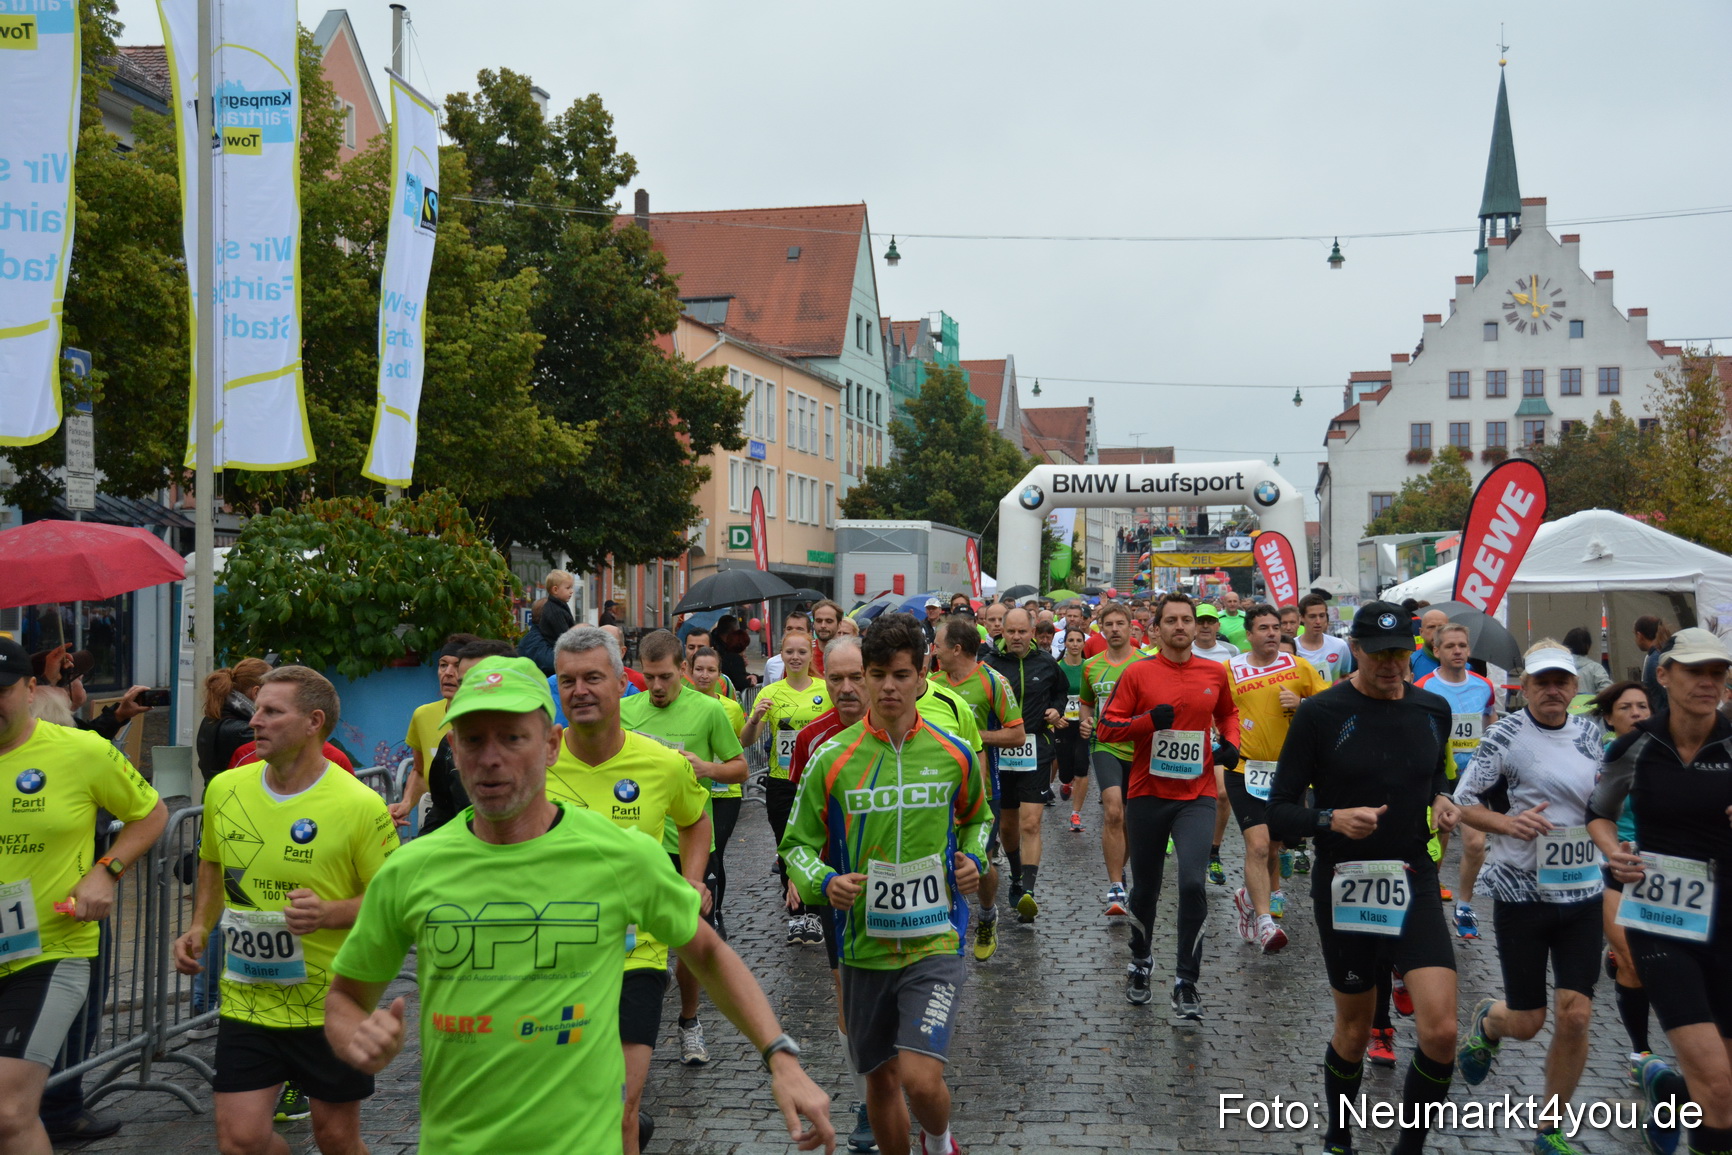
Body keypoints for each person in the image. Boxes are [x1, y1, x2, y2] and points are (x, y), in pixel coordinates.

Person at [325, 655, 834, 1155]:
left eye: (512, 738)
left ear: (550, 746)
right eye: (474, 740)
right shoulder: (413, 869)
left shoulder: (618, 854)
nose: (491, 758)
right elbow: (346, 997)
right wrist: (355, 1037)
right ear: (452, 750)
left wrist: (780, 1057)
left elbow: (708, 952)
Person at [782, 613, 989, 1155]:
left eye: (900, 674)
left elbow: (978, 818)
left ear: (923, 673)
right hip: (863, 947)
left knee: (920, 1078)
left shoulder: (953, 755)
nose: (888, 687)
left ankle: (939, 1142)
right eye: (877, 675)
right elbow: (794, 845)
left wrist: (972, 856)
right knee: (879, 1078)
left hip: (935, 938)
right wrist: (824, 881)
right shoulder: (832, 759)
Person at [171, 665, 395, 1152]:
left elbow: (393, 901)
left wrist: (328, 914)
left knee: (334, 1137)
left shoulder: (358, 804)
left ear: (314, 721)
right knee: (241, 1139)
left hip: (330, 1002)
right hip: (248, 999)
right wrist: (198, 926)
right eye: (257, 710)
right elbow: (212, 862)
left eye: (273, 712)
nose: (256, 721)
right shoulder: (225, 789)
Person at [1265, 601, 1461, 1155]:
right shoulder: (1321, 714)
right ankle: (1338, 1136)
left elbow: (1436, 776)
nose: (1391, 665)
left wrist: (1443, 799)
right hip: (1345, 881)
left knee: (1442, 1031)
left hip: (1414, 878)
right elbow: (1278, 810)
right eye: (1379, 654)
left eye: (1401, 653)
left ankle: (1410, 1148)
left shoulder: (1432, 709)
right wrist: (1330, 819)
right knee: (1353, 1031)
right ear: (1355, 650)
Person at [549, 628, 715, 1155]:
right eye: (568, 680)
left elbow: (696, 818)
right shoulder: (535, 762)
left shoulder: (662, 763)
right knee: (569, 1107)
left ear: (624, 683)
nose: (580, 690)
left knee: (619, 1107)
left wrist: (691, 879)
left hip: (634, 955)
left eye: (593, 677)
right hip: (551, 961)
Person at [0, 638, 166, 1150]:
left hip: (47, 949)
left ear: (30, 689)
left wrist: (106, 871)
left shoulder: (80, 750)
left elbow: (152, 813)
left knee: (9, 1111)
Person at [1453, 642, 1605, 1155]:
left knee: (1577, 1014)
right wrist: (1509, 823)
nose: (1553, 691)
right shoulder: (1506, 734)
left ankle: (1551, 1127)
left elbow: (1605, 801)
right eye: (1543, 683)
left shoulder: (1590, 733)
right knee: (1527, 1021)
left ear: (1574, 687)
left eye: (1562, 681)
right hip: (1523, 893)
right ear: (1526, 687)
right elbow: (1464, 801)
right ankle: (1489, 1022)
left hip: (1583, 890)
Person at [1588, 627, 1732, 1155]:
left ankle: (1670, 1090)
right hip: (1660, 919)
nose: (1708, 683)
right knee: (1716, 1084)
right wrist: (1614, 851)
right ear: (1665, 676)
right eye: (1696, 672)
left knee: (1725, 1089)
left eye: (1717, 673)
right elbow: (1598, 815)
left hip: (1728, 921)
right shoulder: (1636, 746)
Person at [1097, 593, 1240, 1021]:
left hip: (1196, 797)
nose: (1181, 627)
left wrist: (1231, 743)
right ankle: (1140, 961)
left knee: (1193, 883)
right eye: (1172, 621)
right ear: (1155, 629)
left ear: (1197, 627)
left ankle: (1186, 981)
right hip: (1147, 795)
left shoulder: (1214, 671)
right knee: (1146, 888)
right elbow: (1107, 728)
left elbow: (1228, 713)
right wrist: (1147, 722)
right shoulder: (1138, 673)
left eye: (1187, 620)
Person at [619, 630, 747, 1067]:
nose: (656, 687)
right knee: (625, 939)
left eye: (666, 677)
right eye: (649, 677)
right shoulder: (623, 712)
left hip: (688, 842)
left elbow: (741, 768)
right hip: (636, 846)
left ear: (685, 672)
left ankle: (689, 1021)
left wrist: (706, 766)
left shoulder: (709, 710)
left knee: (689, 940)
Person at [786, 636, 876, 1152]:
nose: (845, 689)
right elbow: (802, 824)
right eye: (835, 678)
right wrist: (803, 878)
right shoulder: (813, 741)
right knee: (849, 998)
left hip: (909, 892)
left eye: (855, 677)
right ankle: (867, 1099)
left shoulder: (908, 733)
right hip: (840, 893)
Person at [1224, 604, 1324, 953]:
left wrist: (1302, 703)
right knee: (1259, 845)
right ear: (1248, 634)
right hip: (1244, 769)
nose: (1271, 633)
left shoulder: (1298, 666)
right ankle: (1266, 923)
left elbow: (1328, 705)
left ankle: (1249, 896)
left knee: (1277, 845)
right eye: (1263, 628)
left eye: (1276, 627)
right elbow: (1217, 712)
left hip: (1288, 773)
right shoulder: (1231, 670)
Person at [930, 616, 1025, 961]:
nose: (933, 650)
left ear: (956, 648)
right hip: (938, 789)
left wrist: (969, 738)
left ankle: (986, 915)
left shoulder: (993, 682)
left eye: (938, 644)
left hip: (984, 789)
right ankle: (941, 925)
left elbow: (1016, 734)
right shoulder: (931, 682)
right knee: (939, 860)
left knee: (979, 861)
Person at [742, 631, 832, 946]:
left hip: (818, 780)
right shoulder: (771, 692)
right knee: (786, 848)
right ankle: (795, 916)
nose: (795, 658)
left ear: (810, 655)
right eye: (789, 652)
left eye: (801, 652)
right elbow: (746, 741)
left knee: (820, 847)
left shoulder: (826, 690)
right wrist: (755, 718)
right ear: (781, 655)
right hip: (783, 782)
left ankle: (816, 915)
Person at [1589, 681, 1655, 1081]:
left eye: (1643, 706)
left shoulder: (1669, 755)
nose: (1636, 713)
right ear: (1610, 716)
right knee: (1633, 960)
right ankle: (1642, 1052)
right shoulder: (1599, 756)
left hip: (1662, 869)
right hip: (1608, 864)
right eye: (1626, 707)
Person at [1415, 623, 1497, 934]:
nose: (1458, 651)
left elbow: (1490, 716)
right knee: (1437, 840)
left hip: (1473, 776)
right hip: (1439, 776)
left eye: (1462, 645)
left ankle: (1464, 905)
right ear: (1436, 651)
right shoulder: (1424, 686)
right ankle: (1430, 894)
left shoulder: (1483, 685)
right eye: (1450, 646)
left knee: (1476, 844)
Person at [984, 607, 1063, 922]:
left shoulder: (1046, 663)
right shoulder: (989, 666)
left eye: (1022, 631)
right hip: (1001, 753)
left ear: (1033, 632)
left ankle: (1027, 889)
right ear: (1001, 631)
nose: (1016, 637)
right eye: (1011, 631)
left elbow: (1059, 694)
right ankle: (1016, 876)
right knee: (1007, 826)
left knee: (1031, 823)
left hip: (1036, 750)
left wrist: (1056, 711)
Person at [1079, 601, 1143, 918]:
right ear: (1101, 629)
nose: (1115, 629)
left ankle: (1121, 869)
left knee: (1131, 820)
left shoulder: (1146, 663)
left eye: (1121, 623)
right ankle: (1115, 887)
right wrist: (1086, 721)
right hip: (1106, 745)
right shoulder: (1091, 666)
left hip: (1141, 749)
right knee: (1113, 810)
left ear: (1132, 627)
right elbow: (1086, 703)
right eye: (1109, 624)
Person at [686, 645, 747, 932]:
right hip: (691, 795)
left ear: (720, 674)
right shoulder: (680, 706)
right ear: (688, 671)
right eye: (699, 669)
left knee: (715, 853)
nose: (704, 675)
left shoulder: (731, 708)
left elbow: (741, 747)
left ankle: (715, 912)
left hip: (725, 793)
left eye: (711, 670)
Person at [393, 635, 482, 827]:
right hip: (437, 820)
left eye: (457, 666)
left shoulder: (490, 722)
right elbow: (418, 770)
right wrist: (405, 804)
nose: (448, 673)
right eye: (443, 665)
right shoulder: (422, 715)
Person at [197, 658, 272, 784]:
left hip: (218, 792)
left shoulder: (215, 717)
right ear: (256, 692)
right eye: (272, 690)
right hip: (233, 796)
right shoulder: (245, 731)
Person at [1054, 627, 1089, 833]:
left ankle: (1076, 814)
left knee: (1082, 766)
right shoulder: (1057, 667)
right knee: (1066, 772)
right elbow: (1051, 696)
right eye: (1071, 640)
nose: (1075, 644)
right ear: (1065, 644)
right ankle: (1066, 784)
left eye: (1078, 640)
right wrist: (1055, 719)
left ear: (1083, 644)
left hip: (1083, 724)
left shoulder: (1089, 666)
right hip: (1063, 724)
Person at [1633, 615, 1672, 712]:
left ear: (1639, 635)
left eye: (1635, 635)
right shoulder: (1661, 654)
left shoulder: (1654, 660)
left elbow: (1668, 694)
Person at [763, 611, 813, 684]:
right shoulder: (772, 663)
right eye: (789, 629)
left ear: (809, 633)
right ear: (784, 631)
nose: (793, 632)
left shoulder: (819, 662)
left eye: (799, 629)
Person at [1561, 627, 1611, 697]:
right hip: (1589, 707)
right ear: (1588, 646)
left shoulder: (1558, 667)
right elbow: (1607, 691)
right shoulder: (1595, 668)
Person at [1408, 607, 1450, 681]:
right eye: (1431, 627)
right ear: (1421, 632)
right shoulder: (1411, 663)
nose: (1436, 631)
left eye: (1442, 627)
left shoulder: (1463, 665)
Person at [539, 570, 576, 646]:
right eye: (568, 588)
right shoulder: (555, 611)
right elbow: (566, 638)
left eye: (571, 587)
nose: (571, 591)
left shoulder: (559, 605)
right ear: (555, 590)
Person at [810, 599, 845, 677]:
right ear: (813, 624)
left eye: (829, 621)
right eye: (819, 621)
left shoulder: (849, 653)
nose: (823, 625)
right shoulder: (805, 652)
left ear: (839, 624)